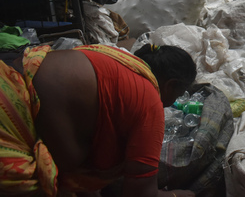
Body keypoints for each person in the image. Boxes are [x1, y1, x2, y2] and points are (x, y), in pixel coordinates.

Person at [0, 43, 197, 196]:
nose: (171, 103)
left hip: (10, 72)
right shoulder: (149, 100)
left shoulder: (113, 57)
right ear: (171, 85)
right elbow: (139, 192)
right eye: (178, 95)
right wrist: (174, 194)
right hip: (10, 115)